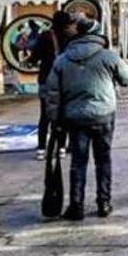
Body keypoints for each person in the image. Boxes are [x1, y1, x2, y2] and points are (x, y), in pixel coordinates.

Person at [45, 15, 128, 220]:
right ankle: (104, 202)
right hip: (103, 114)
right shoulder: (107, 56)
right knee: (103, 160)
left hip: (75, 117)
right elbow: (127, 77)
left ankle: (76, 206)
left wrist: (54, 120)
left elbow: (52, 93)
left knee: (78, 161)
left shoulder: (63, 59)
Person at [30, 11, 72, 161]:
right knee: (62, 115)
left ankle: (41, 149)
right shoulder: (70, 38)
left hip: (46, 79)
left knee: (45, 115)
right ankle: (61, 147)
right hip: (64, 80)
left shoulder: (45, 36)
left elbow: (34, 58)